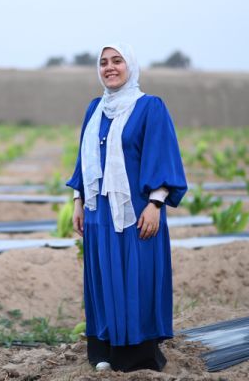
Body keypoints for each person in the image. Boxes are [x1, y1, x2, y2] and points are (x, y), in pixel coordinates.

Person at [66, 43, 188, 373]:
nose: (110, 67)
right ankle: (102, 350)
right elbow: (84, 161)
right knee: (104, 277)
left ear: (130, 65)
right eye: (104, 62)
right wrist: (78, 201)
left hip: (136, 212)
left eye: (117, 60)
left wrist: (155, 204)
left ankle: (138, 355)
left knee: (137, 276)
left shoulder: (150, 107)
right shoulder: (94, 109)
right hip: (98, 214)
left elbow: (162, 155)